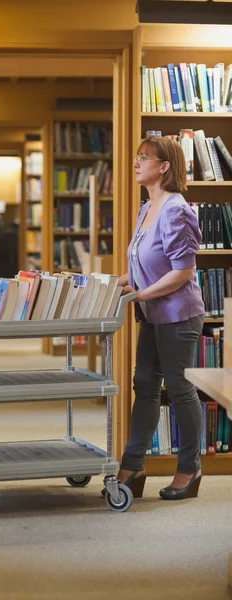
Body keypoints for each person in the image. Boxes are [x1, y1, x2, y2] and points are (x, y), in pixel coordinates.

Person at [118, 135, 205, 500]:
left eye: (143, 158)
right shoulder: (146, 207)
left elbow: (182, 272)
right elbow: (143, 264)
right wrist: (112, 283)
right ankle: (134, 464)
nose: (136, 163)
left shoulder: (176, 209)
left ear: (164, 167)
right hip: (152, 313)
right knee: (144, 386)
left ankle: (189, 468)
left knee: (181, 390)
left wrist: (139, 294)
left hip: (178, 315)